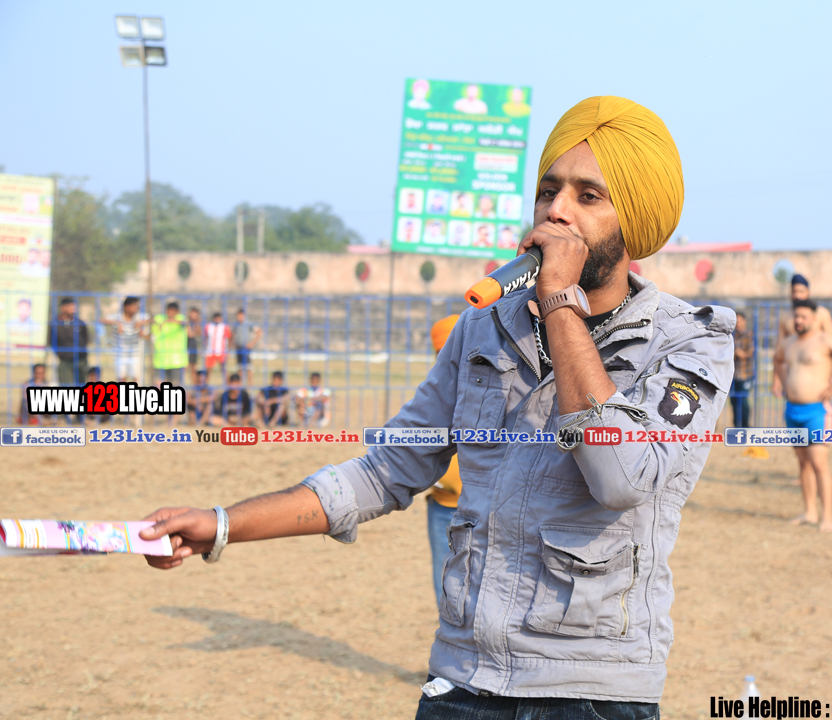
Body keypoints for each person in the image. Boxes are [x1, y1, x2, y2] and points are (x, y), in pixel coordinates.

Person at [138, 95, 736, 718]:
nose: (557, 210)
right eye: (548, 190)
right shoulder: (484, 327)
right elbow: (385, 470)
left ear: (633, 223)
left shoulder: (690, 341)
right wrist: (223, 523)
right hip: (463, 682)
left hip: (592, 693)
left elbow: (621, 478)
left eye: (588, 197)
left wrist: (560, 300)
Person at [773, 299, 832, 532]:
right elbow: (777, 360)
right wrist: (784, 382)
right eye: (796, 316)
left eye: (803, 317)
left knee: (818, 463)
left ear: (814, 319)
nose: (799, 320)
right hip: (792, 410)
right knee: (803, 463)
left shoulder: (826, 341)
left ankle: (827, 517)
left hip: (817, 411)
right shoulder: (789, 343)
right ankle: (810, 512)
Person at [426, 315, 462, 605]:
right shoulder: (434, 395)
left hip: (487, 508)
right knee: (445, 588)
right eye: (442, 353)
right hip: (442, 506)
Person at [772, 274, 832, 397]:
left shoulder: (822, 314)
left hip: (819, 374)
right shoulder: (785, 317)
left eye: (801, 291)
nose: (798, 295)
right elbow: (779, 350)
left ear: (808, 292)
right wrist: (776, 379)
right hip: (793, 375)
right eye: (794, 291)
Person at [151, 301, 188, 429]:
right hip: (160, 361)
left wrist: (168, 321)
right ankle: (167, 417)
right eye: (169, 310)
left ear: (177, 312)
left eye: (173, 311)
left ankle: (174, 420)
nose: (170, 313)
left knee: (176, 392)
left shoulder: (181, 319)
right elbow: (152, 325)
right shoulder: (159, 319)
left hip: (177, 361)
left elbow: (186, 324)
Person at [100, 296, 149, 384]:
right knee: (121, 379)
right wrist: (117, 323)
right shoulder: (117, 317)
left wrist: (141, 324)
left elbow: (153, 320)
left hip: (136, 354)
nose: (137, 308)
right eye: (135, 306)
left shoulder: (140, 317)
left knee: (137, 379)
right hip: (120, 354)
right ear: (127, 307)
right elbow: (101, 320)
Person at [48, 297, 91, 389]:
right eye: (70, 306)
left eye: (74, 307)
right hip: (64, 360)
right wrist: (61, 354)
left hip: (80, 360)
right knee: (65, 387)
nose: (73, 309)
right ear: (63, 308)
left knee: (81, 386)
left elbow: (86, 339)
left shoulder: (80, 323)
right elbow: (52, 341)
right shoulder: (55, 323)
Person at [730, 311, 754, 428]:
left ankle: (745, 425)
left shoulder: (749, 335)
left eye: (740, 321)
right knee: (733, 401)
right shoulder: (731, 336)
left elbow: (749, 353)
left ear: (744, 322)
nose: (738, 324)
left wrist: (739, 353)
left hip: (745, 374)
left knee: (744, 401)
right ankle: (737, 425)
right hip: (732, 375)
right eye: (736, 321)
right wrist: (736, 353)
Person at [233, 308, 261, 386]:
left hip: (246, 349)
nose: (239, 317)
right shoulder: (236, 324)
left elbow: (259, 332)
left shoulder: (249, 324)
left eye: (241, 315)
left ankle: (250, 386)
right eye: (238, 315)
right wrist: (234, 344)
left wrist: (252, 343)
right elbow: (233, 335)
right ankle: (240, 385)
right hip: (239, 348)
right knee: (240, 368)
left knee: (248, 368)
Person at [204, 312, 231, 385]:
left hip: (221, 351)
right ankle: (205, 386)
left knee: (224, 369)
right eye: (216, 318)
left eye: (219, 318)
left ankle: (228, 385)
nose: (217, 320)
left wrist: (228, 351)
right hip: (210, 351)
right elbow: (205, 337)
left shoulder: (225, 327)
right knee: (208, 370)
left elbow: (229, 338)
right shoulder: (208, 326)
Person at [187, 307, 203, 385]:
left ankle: (195, 387)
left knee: (193, 368)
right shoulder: (186, 322)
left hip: (193, 346)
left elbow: (199, 332)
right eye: (192, 313)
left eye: (195, 314)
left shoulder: (196, 323)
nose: (194, 315)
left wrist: (197, 323)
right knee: (186, 367)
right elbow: (189, 334)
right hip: (186, 346)